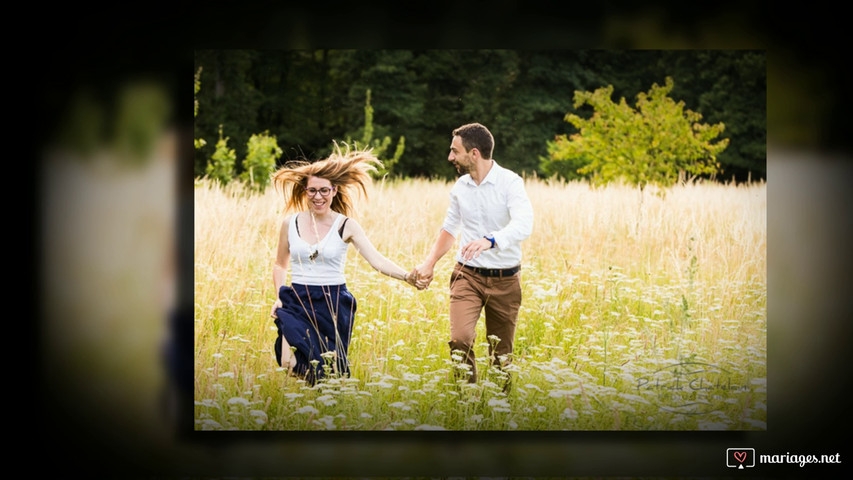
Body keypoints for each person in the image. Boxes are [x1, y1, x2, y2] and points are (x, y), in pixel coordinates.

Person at [269, 145, 420, 384]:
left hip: (333, 303)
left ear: (334, 190)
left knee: (330, 368)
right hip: (297, 299)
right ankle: (323, 388)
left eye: (324, 190)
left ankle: (325, 397)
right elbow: (280, 264)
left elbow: (376, 259)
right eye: (312, 191)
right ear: (305, 191)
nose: (318, 197)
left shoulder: (346, 225)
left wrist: (406, 276)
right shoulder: (290, 223)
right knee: (288, 360)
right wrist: (279, 295)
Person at [415, 123, 533, 386]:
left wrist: (491, 241)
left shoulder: (510, 182)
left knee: (501, 356)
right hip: (467, 275)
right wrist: (429, 263)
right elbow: (449, 229)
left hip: (505, 280)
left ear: (475, 153)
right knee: (460, 340)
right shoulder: (460, 187)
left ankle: (497, 411)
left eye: (455, 151)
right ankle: (465, 402)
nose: (450, 158)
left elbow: (524, 223)